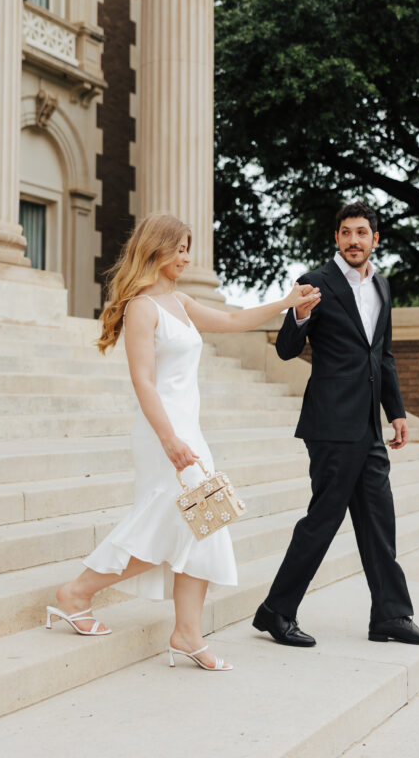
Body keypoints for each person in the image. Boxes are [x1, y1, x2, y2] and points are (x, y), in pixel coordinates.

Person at [47, 212, 320, 672]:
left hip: (188, 430)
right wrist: (170, 439)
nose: (187, 257)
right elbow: (144, 381)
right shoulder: (141, 307)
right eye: (180, 248)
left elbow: (234, 320)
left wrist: (286, 302)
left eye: (188, 247)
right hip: (162, 432)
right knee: (171, 524)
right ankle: (76, 592)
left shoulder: (181, 301)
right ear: (156, 248)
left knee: (206, 523)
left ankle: (186, 633)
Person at [253, 201, 419, 647]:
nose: (353, 240)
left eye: (362, 233)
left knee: (380, 520)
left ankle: (392, 617)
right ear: (336, 238)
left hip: (368, 426)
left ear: (375, 239)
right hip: (331, 424)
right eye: (346, 233)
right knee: (323, 519)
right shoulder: (315, 282)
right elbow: (285, 348)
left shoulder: (382, 286)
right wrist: (300, 314)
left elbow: (383, 353)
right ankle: (276, 611)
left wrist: (396, 411)